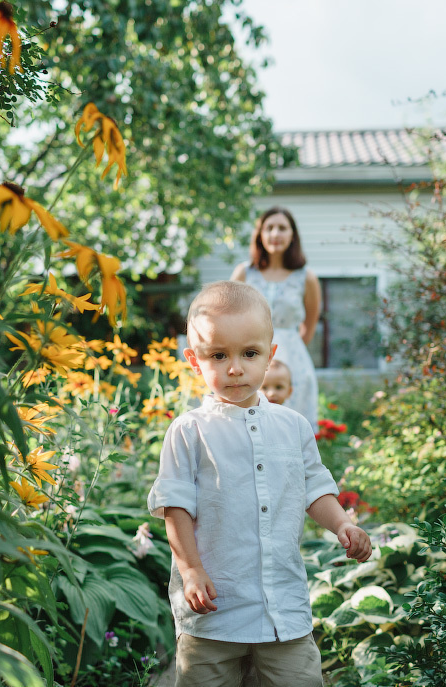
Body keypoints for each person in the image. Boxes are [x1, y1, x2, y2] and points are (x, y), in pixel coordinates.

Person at [147, 280, 371, 687]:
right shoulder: (188, 431)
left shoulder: (293, 425)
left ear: (270, 356)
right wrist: (191, 569)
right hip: (214, 611)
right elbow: (175, 507)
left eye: (249, 354)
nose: (235, 367)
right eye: (218, 355)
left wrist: (342, 524)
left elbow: (315, 488)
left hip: (282, 611)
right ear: (195, 362)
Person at [231, 206, 320, 428]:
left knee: (292, 424)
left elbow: (310, 323)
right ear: (260, 234)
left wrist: (291, 347)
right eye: (269, 228)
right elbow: (228, 316)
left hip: (293, 357)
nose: (275, 234)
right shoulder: (244, 273)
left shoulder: (306, 277)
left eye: (282, 228)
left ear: (292, 235)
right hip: (248, 354)